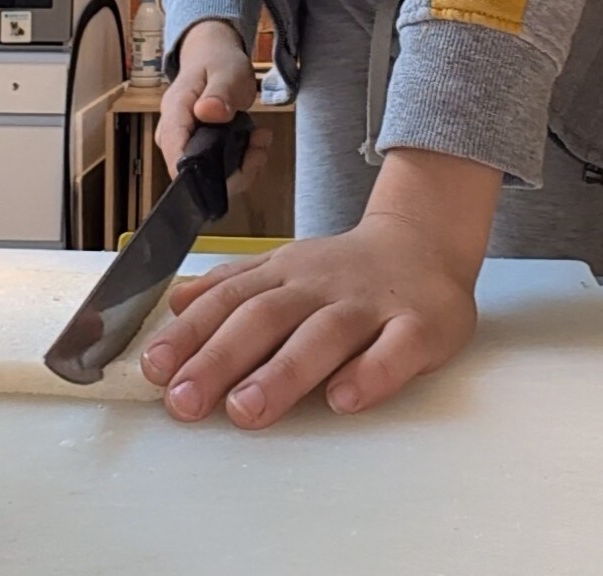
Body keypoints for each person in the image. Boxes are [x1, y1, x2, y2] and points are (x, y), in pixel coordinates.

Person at [139, 0, 603, 430]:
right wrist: (210, 27)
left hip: (527, 69)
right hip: (342, 44)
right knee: (331, 358)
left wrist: (424, 224)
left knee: (526, 395)